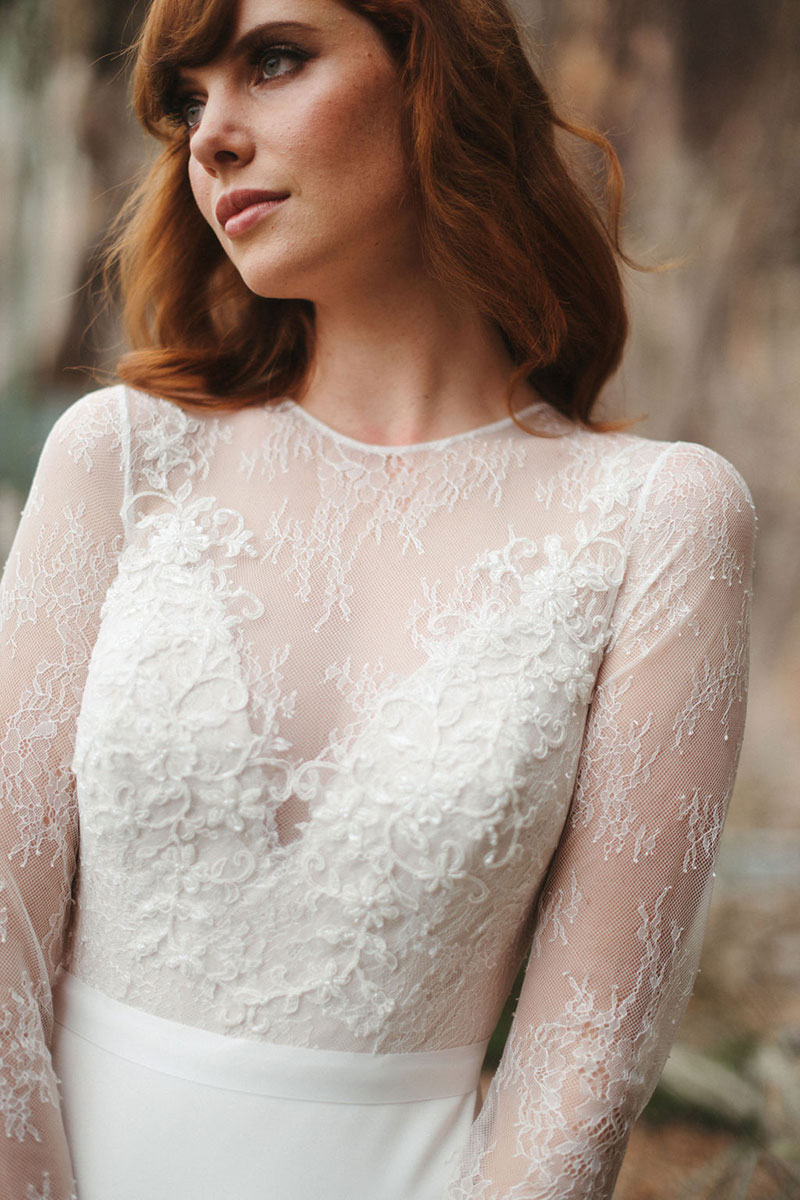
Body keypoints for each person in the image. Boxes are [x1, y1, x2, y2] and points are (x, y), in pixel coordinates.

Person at [0, 0, 756, 1195]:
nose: (211, 136)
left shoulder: (656, 523)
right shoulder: (122, 460)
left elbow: (584, 1066)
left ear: (434, 74)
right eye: (191, 100)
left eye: (274, 61)